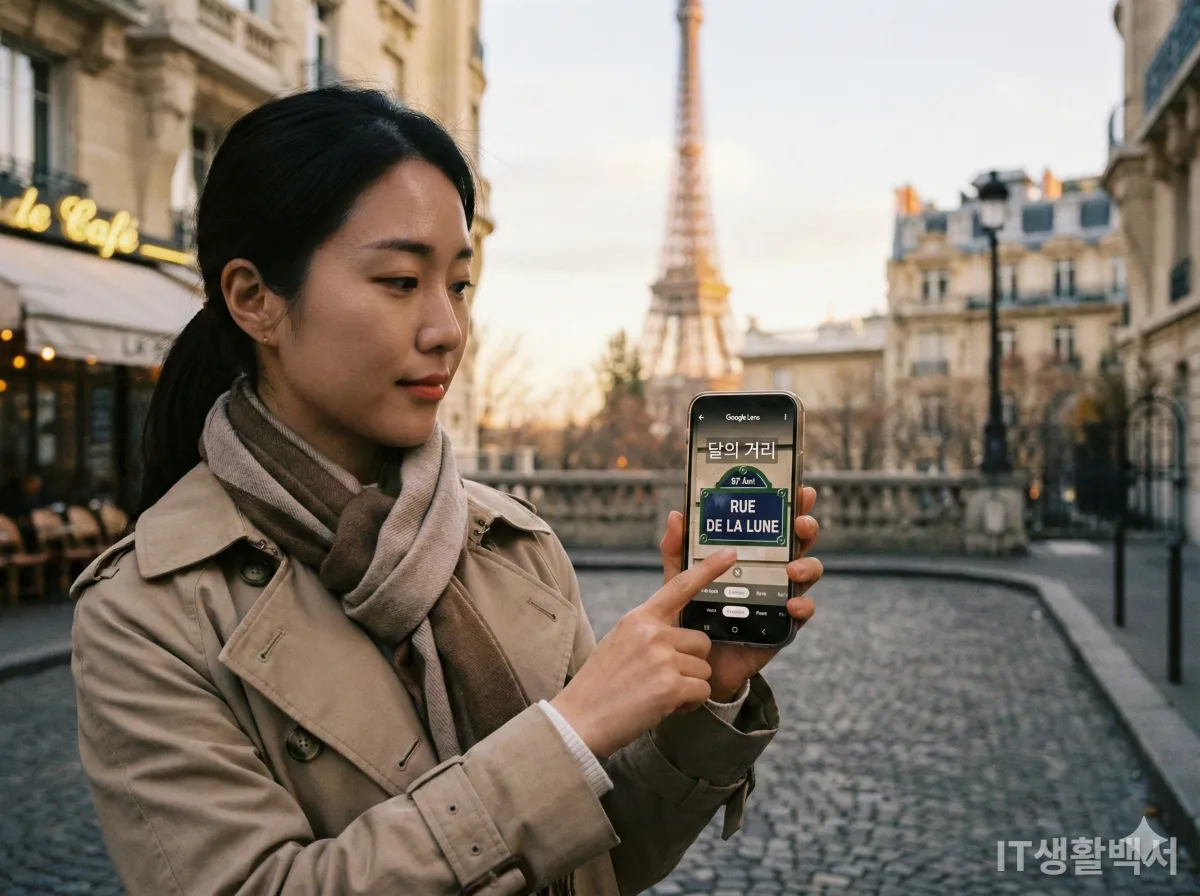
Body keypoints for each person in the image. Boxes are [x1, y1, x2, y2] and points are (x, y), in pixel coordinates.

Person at [69, 87, 823, 896]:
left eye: (458, 285)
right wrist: (566, 736)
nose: (447, 329)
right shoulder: (145, 612)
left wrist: (701, 701)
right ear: (255, 299)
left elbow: (603, 865)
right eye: (400, 281)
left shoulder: (516, 545)